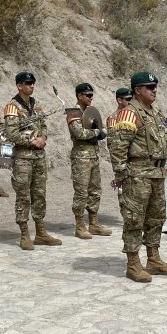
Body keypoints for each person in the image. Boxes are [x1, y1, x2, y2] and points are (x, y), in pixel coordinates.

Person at [109, 72, 167, 283]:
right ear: (137, 90)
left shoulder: (156, 114)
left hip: (156, 173)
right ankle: (133, 264)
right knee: (134, 219)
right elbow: (118, 147)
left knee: (156, 218)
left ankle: (153, 259)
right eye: (149, 87)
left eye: (155, 86)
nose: (154, 90)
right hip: (136, 175)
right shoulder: (129, 114)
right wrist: (122, 175)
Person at [3, 71, 62, 250]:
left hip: (38, 156)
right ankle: (24, 234)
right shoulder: (12, 107)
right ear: (19, 86)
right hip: (22, 158)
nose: (32, 86)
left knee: (39, 194)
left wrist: (43, 138)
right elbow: (11, 133)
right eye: (28, 83)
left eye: (33, 83)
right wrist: (32, 141)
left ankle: (41, 232)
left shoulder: (36, 105)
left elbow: (43, 126)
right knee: (23, 196)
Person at [67, 83, 111, 239]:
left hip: (93, 155)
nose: (91, 98)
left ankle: (94, 223)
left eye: (92, 95)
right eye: (88, 95)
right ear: (79, 96)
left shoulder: (90, 112)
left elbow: (104, 129)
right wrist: (97, 132)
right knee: (81, 193)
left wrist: (99, 131)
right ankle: (79, 226)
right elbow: (79, 133)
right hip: (81, 157)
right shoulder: (73, 113)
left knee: (95, 191)